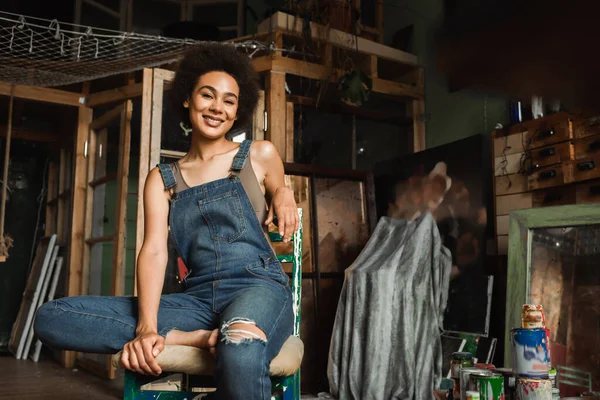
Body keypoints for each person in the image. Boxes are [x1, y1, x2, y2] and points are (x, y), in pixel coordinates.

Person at [34, 42, 299, 399]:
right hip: (197, 301)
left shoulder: (259, 154)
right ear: (188, 99)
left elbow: (281, 190)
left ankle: (222, 334)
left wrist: (284, 192)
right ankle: (197, 337)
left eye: (229, 101)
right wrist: (146, 328)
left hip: (257, 287)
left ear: (238, 113)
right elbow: (154, 250)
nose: (217, 108)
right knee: (53, 316)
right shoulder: (162, 179)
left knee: (239, 344)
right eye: (208, 95)